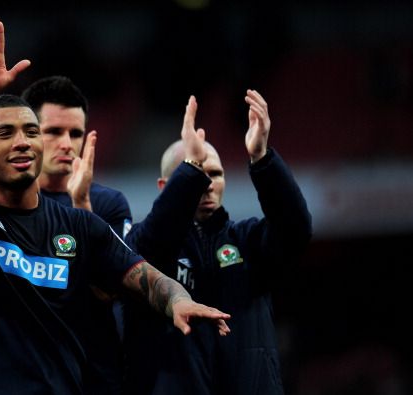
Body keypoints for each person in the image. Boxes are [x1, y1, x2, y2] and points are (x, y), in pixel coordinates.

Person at [0, 16, 230, 394]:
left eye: (31, 131)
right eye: (5, 133)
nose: (23, 142)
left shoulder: (80, 226)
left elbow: (148, 279)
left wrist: (177, 299)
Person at [122, 92, 312, 394]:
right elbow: (150, 247)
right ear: (165, 185)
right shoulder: (144, 242)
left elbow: (296, 229)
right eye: (197, 172)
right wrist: (190, 171)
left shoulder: (248, 240)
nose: (208, 184)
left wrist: (262, 159)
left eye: (215, 174)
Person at [22, 76, 132, 393]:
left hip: (93, 376)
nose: (67, 144)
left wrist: (81, 204)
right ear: (29, 134)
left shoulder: (109, 204)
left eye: (76, 133)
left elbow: (107, 290)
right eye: (54, 132)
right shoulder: (1, 207)